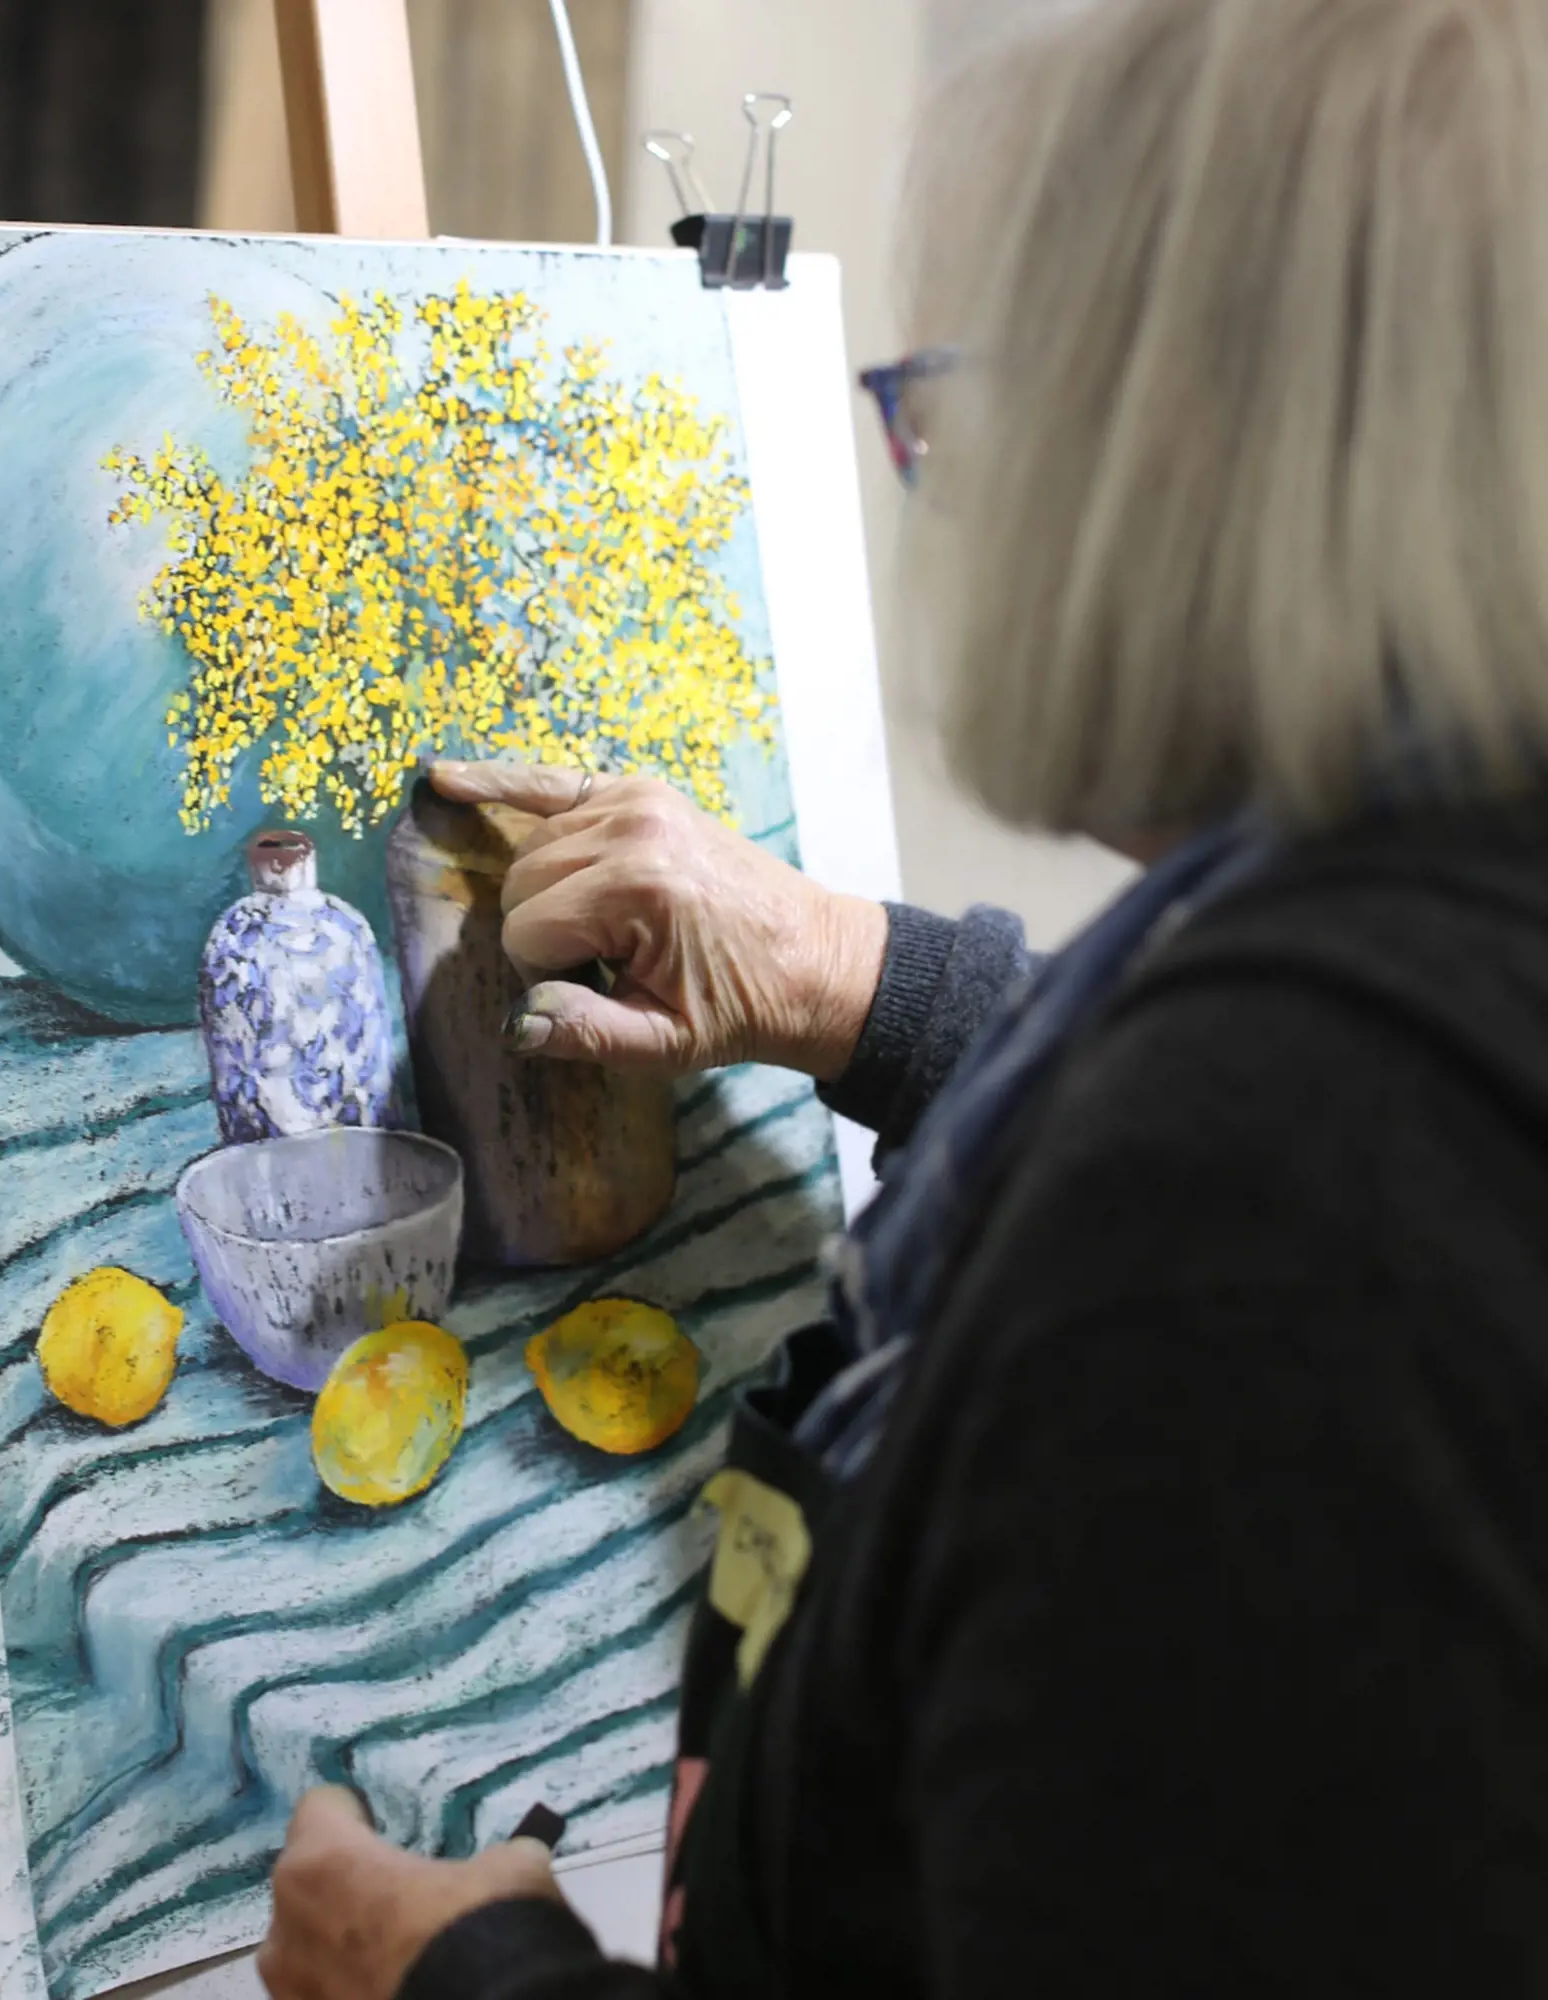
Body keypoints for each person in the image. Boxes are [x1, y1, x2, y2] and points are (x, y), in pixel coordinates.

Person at [259, 0, 1548, 1992]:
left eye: (957, 416)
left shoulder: (1273, 1195)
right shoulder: (1426, 957)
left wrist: (457, 1984)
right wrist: (848, 977)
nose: (951, 494)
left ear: (1187, 459)